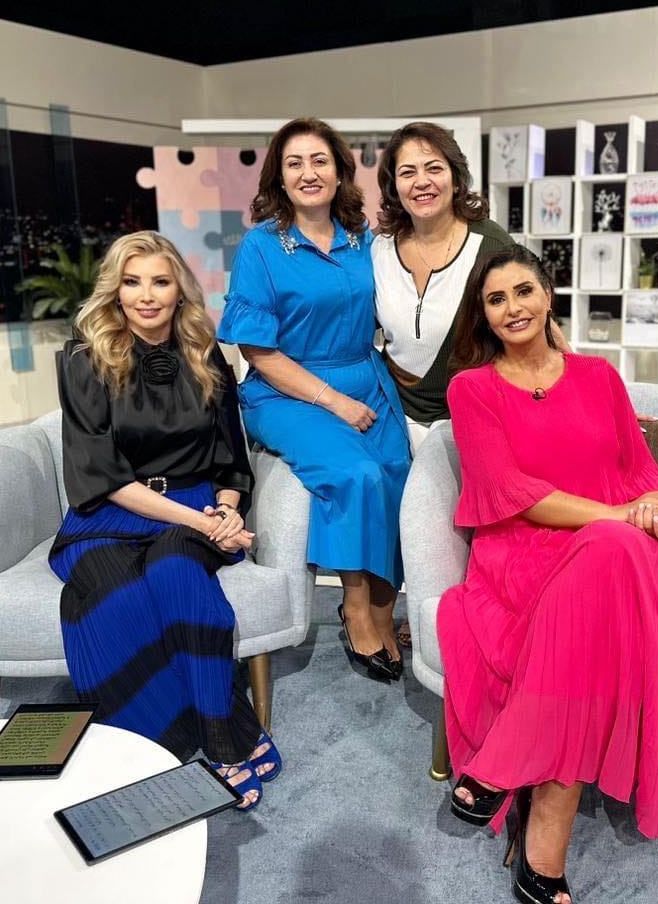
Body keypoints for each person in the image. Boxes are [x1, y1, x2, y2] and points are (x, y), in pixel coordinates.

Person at [438, 245, 658, 904]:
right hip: (525, 552)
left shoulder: (598, 376)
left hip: (618, 551)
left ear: (548, 297)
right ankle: (543, 836)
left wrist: (653, 505)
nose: (513, 308)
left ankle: (513, 773)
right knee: (607, 554)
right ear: (484, 316)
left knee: (608, 556)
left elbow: (641, 468)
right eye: (496, 299)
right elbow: (510, 493)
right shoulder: (472, 389)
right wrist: (620, 516)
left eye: (523, 291)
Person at [48, 230, 281, 811]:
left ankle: (222, 742)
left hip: (197, 504)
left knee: (176, 573)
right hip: (110, 512)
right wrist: (204, 525)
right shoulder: (83, 359)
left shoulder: (206, 355)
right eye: (132, 282)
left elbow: (232, 460)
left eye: (160, 281)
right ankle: (164, 746)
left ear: (180, 290)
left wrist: (224, 512)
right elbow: (103, 476)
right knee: (115, 596)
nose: (146, 296)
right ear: (115, 290)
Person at [218, 117, 412, 682]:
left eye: (320, 160)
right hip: (287, 390)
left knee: (399, 472)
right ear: (279, 177)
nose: (309, 173)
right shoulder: (261, 247)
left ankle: (385, 609)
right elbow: (258, 352)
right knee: (355, 474)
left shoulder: (364, 239)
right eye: (295, 163)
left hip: (365, 377)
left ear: (340, 171)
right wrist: (333, 401)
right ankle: (356, 607)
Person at [371, 121, 516, 451]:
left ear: (456, 177)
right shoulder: (378, 249)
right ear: (394, 186)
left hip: (472, 417)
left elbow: (537, 328)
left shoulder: (491, 244)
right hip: (394, 418)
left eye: (434, 168)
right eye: (407, 172)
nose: (422, 181)